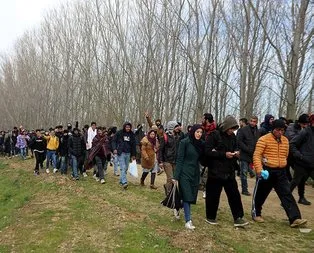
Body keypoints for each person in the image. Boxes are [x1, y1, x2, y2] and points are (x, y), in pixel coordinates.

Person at [252, 119, 307, 227]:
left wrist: (282, 164)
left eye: (282, 130)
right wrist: (259, 170)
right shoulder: (264, 139)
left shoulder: (285, 141)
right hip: (266, 171)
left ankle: (295, 218)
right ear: (273, 129)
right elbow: (257, 155)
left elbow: (285, 155)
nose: (280, 132)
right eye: (278, 130)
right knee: (261, 194)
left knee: (286, 194)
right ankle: (256, 213)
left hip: (281, 171)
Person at [204, 116, 249, 227]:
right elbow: (207, 152)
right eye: (230, 128)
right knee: (213, 196)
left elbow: (235, 148)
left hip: (229, 170)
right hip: (215, 171)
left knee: (234, 195)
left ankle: (238, 217)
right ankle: (211, 216)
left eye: (233, 129)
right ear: (225, 127)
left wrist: (236, 153)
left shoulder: (233, 137)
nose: (231, 131)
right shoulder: (214, 135)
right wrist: (224, 154)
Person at [172, 124, 204, 230]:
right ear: (193, 132)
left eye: (201, 132)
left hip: (195, 173)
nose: (199, 134)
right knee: (187, 196)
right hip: (184, 173)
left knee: (190, 196)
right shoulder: (184, 142)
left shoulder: (201, 144)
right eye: (197, 132)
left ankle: (178, 206)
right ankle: (188, 220)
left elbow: (204, 158)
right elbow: (180, 159)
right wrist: (176, 176)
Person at [285, 113, 310, 204]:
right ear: (300, 123)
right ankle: (286, 196)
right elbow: (292, 140)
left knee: (301, 178)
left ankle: (301, 197)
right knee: (295, 179)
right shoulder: (291, 128)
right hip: (290, 156)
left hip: (300, 156)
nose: (306, 126)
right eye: (304, 124)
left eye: (307, 124)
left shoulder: (305, 129)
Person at [289, 114, 314, 205]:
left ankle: (301, 198)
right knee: (296, 181)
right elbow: (292, 144)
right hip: (302, 162)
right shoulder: (305, 132)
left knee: (302, 181)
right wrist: (299, 155)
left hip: (311, 163)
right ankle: (286, 198)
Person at [159, 121, 184, 196]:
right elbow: (161, 149)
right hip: (167, 160)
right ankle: (169, 193)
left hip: (175, 161)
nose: (178, 128)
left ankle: (169, 189)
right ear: (171, 127)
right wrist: (160, 161)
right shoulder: (165, 136)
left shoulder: (179, 136)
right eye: (176, 126)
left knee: (174, 178)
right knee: (170, 178)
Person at [237, 116, 260, 196]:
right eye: (251, 121)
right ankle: (244, 189)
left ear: (256, 122)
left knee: (258, 172)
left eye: (254, 121)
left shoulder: (258, 131)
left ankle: (258, 190)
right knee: (244, 172)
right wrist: (246, 149)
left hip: (254, 154)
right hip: (244, 154)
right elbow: (239, 141)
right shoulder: (244, 130)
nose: (253, 123)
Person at [112, 122, 136, 189]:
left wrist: (133, 154)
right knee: (123, 167)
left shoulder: (132, 134)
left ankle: (121, 180)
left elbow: (133, 145)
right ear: (124, 127)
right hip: (121, 152)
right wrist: (114, 149)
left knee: (126, 168)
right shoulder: (119, 133)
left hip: (128, 153)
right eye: (126, 127)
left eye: (129, 127)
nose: (128, 128)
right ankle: (124, 182)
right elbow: (113, 141)